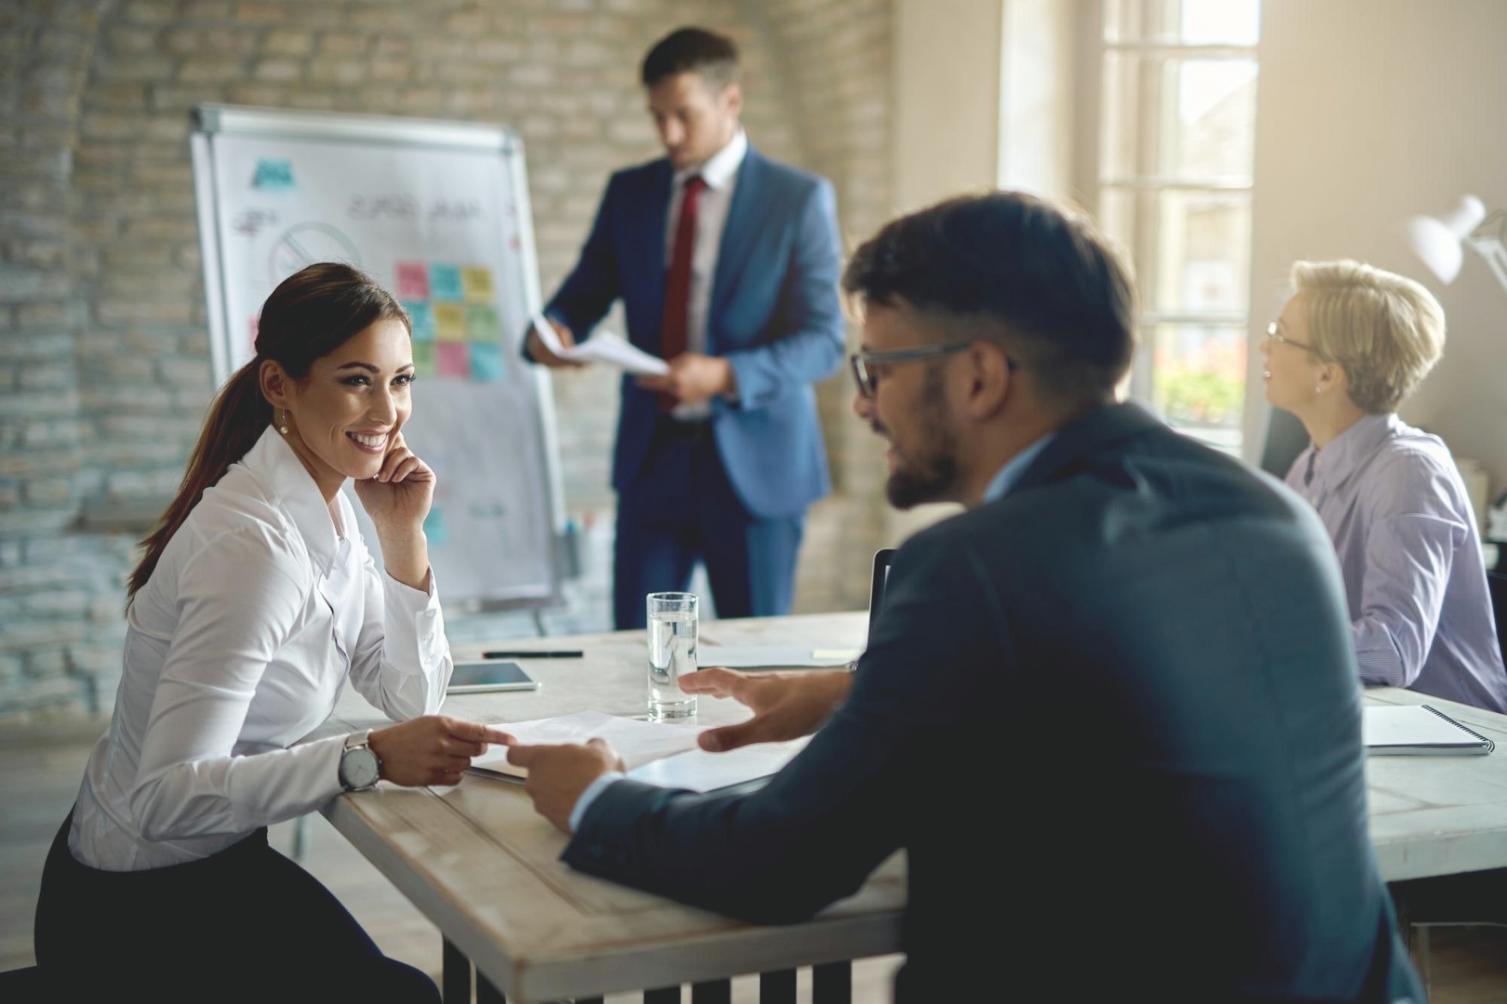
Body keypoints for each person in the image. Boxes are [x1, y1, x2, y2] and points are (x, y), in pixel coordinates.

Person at [504, 194, 1422, 1001]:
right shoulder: (1269, 512)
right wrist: (852, 693)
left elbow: (778, 860)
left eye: (878, 370)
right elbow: (1109, 690)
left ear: (979, 375)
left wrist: (594, 799)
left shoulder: (973, 567)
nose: (863, 406)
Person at [34, 264, 511, 1000]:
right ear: (279, 385)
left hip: (215, 858)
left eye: (402, 379)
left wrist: (403, 538)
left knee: (403, 989)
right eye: (357, 380)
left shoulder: (333, 504)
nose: (388, 409)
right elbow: (165, 798)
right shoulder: (252, 548)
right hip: (132, 901)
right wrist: (367, 756)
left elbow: (411, 698)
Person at [524, 26, 844, 629]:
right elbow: (576, 300)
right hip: (654, 463)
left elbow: (825, 340)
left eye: (683, 115)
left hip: (759, 471)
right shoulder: (630, 193)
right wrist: (553, 336)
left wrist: (725, 374)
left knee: (754, 663)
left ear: (731, 100)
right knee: (633, 658)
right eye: (656, 117)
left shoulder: (797, 199)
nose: (668, 134)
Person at [1262, 260, 1507, 712]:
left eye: (1280, 334)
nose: (1265, 346)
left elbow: (1394, 651)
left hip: (1458, 743)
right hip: (1368, 720)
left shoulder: (1409, 472)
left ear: (1327, 375)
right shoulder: (1307, 468)